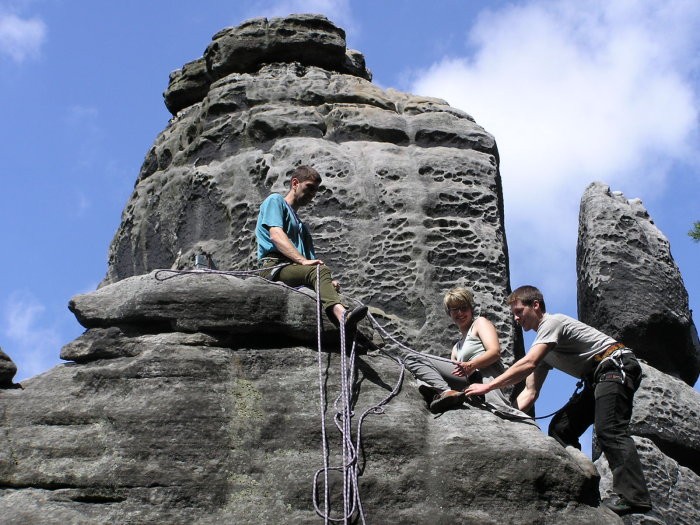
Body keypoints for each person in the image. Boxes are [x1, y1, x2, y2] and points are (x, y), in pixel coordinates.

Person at [464, 285, 652, 516]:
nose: (515, 318)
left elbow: (528, 364)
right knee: (561, 428)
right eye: (514, 314)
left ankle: (634, 497)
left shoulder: (553, 323)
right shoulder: (544, 349)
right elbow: (530, 393)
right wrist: (505, 418)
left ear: (536, 305)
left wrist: (488, 386)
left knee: (609, 431)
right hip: (598, 378)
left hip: (616, 366)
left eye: (519, 311)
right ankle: (584, 480)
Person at [255, 165, 367, 332]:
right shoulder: (275, 201)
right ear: (295, 183)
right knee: (318, 271)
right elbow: (276, 235)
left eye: (316, 190)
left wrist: (327, 282)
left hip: (293, 269)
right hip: (274, 267)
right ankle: (342, 315)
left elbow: (313, 264)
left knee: (321, 272)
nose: (313, 194)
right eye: (310, 187)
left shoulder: (302, 227)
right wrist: (302, 261)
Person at [405, 286, 530, 421]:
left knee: (413, 358)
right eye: (454, 309)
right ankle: (444, 393)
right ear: (449, 313)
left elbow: (495, 352)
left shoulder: (480, 323)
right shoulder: (456, 348)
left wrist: (471, 365)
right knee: (416, 370)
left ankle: (446, 392)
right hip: (465, 383)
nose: (460, 313)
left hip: (480, 376)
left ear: (471, 309)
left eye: (463, 308)